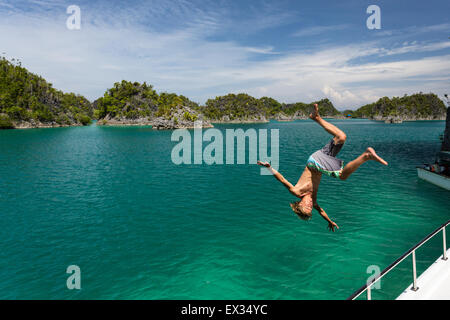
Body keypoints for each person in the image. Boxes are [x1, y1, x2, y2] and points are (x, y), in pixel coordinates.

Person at [257, 104, 388, 231]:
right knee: (341, 137)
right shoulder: (313, 201)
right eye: (309, 208)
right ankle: (317, 118)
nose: (309, 205)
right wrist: (329, 221)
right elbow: (321, 211)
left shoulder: (296, 192)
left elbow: (282, 180)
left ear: (299, 204)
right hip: (319, 157)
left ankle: (366, 156)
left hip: (314, 163)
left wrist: (269, 167)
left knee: (342, 176)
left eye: (306, 206)